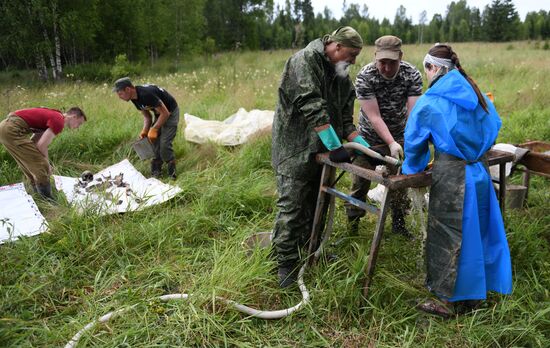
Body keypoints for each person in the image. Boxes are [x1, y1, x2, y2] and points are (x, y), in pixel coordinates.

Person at [402, 44, 512, 317]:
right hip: (480, 172)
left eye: (427, 67)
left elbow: (415, 144)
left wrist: (411, 169)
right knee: (479, 232)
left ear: (435, 68)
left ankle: (447, 300)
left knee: (449, 235)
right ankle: (478, 292)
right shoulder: (477, 94)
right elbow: (493, 128)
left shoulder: (429, 102)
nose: (426, 73)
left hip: (452, 176)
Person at [271, 26, 370, 287]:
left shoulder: (340, 75)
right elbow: (311, 105)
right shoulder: (304, 61)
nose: (353, 61)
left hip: (324, 152)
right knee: (293, 207)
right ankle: (286, 264)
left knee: (320, 204)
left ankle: (312, 251)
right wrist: (334, 144)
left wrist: (367, 149)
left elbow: (346, 122)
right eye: (351, 54)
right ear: (335, 47)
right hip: (295, 149)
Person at [345, 35, 423, 238]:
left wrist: (406, 141)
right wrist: (390, 142)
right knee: (360, 182)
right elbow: (374, 116)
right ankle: (352, 227)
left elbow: (413, 113)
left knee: (398, 182)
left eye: (392, 63)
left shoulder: (411, 74)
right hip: (368, 140)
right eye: (382, 62)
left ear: (401, 57)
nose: (387, 68)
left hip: (400, 136)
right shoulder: (365, 76)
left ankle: (399, 225)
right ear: (375, 57)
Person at [0, 107, 87, 200]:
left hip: (5, 128)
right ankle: (47, 200)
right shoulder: (58, 121)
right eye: (79, 123)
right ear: (74, 116)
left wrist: (36, 158)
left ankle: (38, 196)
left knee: (30, 164)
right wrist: (47, 165)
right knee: (42, 165)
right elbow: (41, 146)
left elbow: (34, 141)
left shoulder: (55, 116)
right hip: (12, 129)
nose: (78, 127)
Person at [114, 77, 179, 179]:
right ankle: (157, 169)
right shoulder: (134, 99)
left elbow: (165, 113)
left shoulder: (146, 94)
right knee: (153, 141)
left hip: (170, 112)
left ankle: (172, 172)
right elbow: (147, 116)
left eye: (120, 93)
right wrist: (145, 131)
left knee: (164, 143)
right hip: (160, 113)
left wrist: (154, 129)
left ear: (128, 89)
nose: (119, 97)